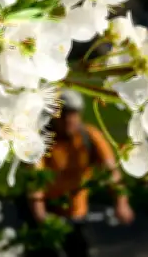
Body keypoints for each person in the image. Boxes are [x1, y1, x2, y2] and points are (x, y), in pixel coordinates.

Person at [17, 89, 134, 256]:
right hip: (47, 211)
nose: (68, 119)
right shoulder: (42, 140)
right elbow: (36, 181)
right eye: (63, 114)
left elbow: (111, 171)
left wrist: (121, 203)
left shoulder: (89, 136)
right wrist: (41, 216)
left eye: (73, 114)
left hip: (77, 212)